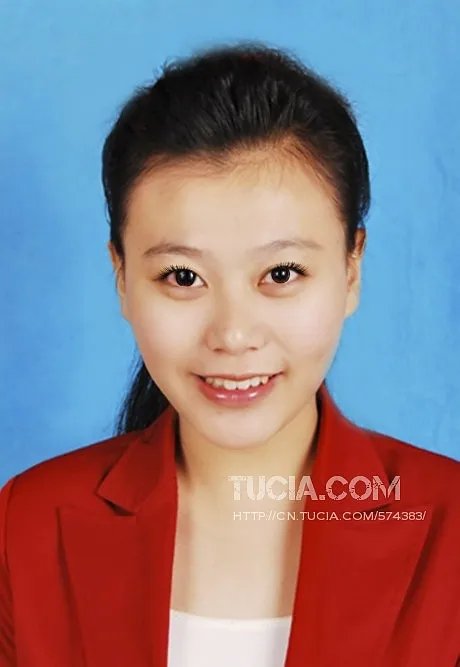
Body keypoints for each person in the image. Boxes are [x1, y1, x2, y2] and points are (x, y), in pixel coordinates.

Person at [1, 41, 459, 667]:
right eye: (183, 277)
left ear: (352, 270)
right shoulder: (29, 526)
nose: (234, 335)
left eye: (282, 273)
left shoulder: (448, 528)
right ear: (122, 277)